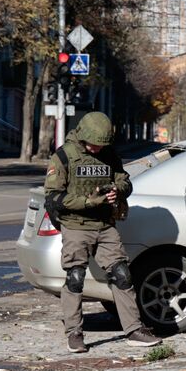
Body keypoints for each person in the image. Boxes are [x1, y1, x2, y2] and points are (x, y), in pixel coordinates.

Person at [44, 111, 161, 353]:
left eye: (101, 145)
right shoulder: (64, 156)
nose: (97, 150)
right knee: (75, 278)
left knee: (122, 274)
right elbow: (53, 197)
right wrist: (88, 202)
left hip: (105, 226)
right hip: (76, 226)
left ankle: (133, 330)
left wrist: (116, 190)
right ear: (84, 136)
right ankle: (74, 334)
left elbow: (125, 181)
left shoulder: (108, 153)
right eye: (94, 145)